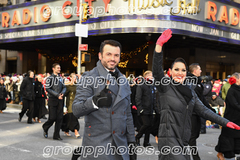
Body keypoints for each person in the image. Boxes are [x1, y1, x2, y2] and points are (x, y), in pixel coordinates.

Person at [152, 29, 240, 160]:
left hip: (183, 141)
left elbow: (204, 110)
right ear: (170, 72)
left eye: (183, 70)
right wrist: (159, 46)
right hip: (169, 142)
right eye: (176, 69)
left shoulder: (190, 91)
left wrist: (226, 122)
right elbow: (157, 71)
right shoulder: (165, 87)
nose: (180, 73)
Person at [72, 40, 136, 160]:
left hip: (121, 148)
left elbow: (127, 115)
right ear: (100, 55)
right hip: (98, 147)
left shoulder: (123, 80)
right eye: (109, 54)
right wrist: (95, 101)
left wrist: (132, 143)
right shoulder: (89, 77)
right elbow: (76, 109)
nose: (113, 58)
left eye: (116, 55)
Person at [187, 63, 216, 160]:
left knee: (194, 134)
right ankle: (195, 157)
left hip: (196, 112)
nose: (201, 71)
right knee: (192, 136)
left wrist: (210, 109)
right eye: (199, 69)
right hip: (192, 113)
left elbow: (201, 98)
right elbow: (195, 99)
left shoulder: (198, 82)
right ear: (195, 71)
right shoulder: (192, 82)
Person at [215, 73, 240, 160]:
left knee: (233, 136)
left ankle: (222, 152)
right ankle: (223, 153)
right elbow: (234, 104)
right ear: (237, 79)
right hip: (231, 117)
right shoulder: (231, 90)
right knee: (227, 136)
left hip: (238, 117)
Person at [42, 63, 66, 140]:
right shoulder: (49, 78)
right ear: (53, 69)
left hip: (60, 100)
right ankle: (45, 127)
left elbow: (64, 87)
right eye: (58, 68)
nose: (59, 69)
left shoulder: (61, 78)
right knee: (52, 118)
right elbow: (48, 89)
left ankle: (56, 135)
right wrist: (57, 95)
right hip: (52, 100)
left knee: (59, 118)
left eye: (59, 68)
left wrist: (62, 93)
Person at [135, 70, 155, 147]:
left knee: (150, 126)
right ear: (146, 77)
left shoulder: (151, 86)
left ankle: (146, 142)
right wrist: (140, 108)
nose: (152, 77)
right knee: (146, 124)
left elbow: (153, 98)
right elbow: (138, 98)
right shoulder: (141, 85)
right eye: (151, 76)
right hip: (144, 109)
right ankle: (137, 137)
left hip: (150, 109)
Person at [61, 73, 80, 138]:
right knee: (73, 117)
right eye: (74, 77)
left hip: (77, 103)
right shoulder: (68, 86)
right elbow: (64, 94)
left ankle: (65, 128)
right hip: (70, 103)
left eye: (75, 77)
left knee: (69, 117)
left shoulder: (77, 85)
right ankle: (76, 131)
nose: (75, 79)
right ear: (70, 78)